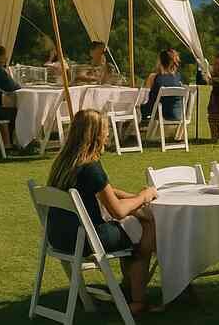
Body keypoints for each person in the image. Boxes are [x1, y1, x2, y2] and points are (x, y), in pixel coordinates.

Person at [46, 109, 158, 316]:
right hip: (87, 239)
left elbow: (105, 190)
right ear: (96, 134)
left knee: (133, 224)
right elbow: (117, 211)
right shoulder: (91, 167)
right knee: (145, 225)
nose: (108, 135)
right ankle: (137, 299)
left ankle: (128, 287)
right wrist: (143, 196)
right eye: (106, 130)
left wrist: (130, 196)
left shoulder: (64, 163)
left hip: (59, 237)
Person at [140, 49, 183, 122]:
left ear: (160, 62)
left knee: (134, 110)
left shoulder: (153, 77)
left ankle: (130, 132)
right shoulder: (178, 79)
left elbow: (145, 99)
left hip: (158, 117)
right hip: (177, 118)